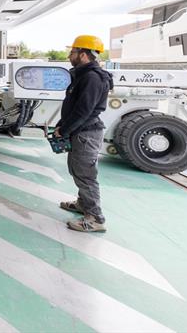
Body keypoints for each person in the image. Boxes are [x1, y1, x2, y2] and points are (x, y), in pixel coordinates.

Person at [54, 34, 113, 233]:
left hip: (86, 133)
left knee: (86, 175)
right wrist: (63, 124)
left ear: (84, 54)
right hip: (81, 132)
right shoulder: (83, 74)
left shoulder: (92, 78)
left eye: (73, 51)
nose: (70, 55)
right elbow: (76, 106)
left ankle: (95, 218)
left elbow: (84, 111)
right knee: (77, 170)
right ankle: (83, 204)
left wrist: (64, 129)